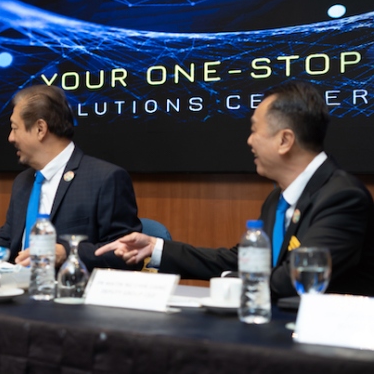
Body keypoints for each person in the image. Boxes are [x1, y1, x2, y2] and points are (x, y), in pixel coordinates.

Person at [96, 81, 374, 300]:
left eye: (254, 130)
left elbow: (295, 279)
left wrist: (228, 283)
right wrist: (156, 247)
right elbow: (241, 260)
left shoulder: (342, 198)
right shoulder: (278, 199)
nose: (249, 141)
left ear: (284, 140)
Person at [0, 85, 142, 271]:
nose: (10, 138)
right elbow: (9, 238)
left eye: (14, 128)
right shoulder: (23, 181)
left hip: (70, 286)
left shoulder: (105, 179)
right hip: (16, 285)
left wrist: (66, 253)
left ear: (40, 129)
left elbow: (127, 252)